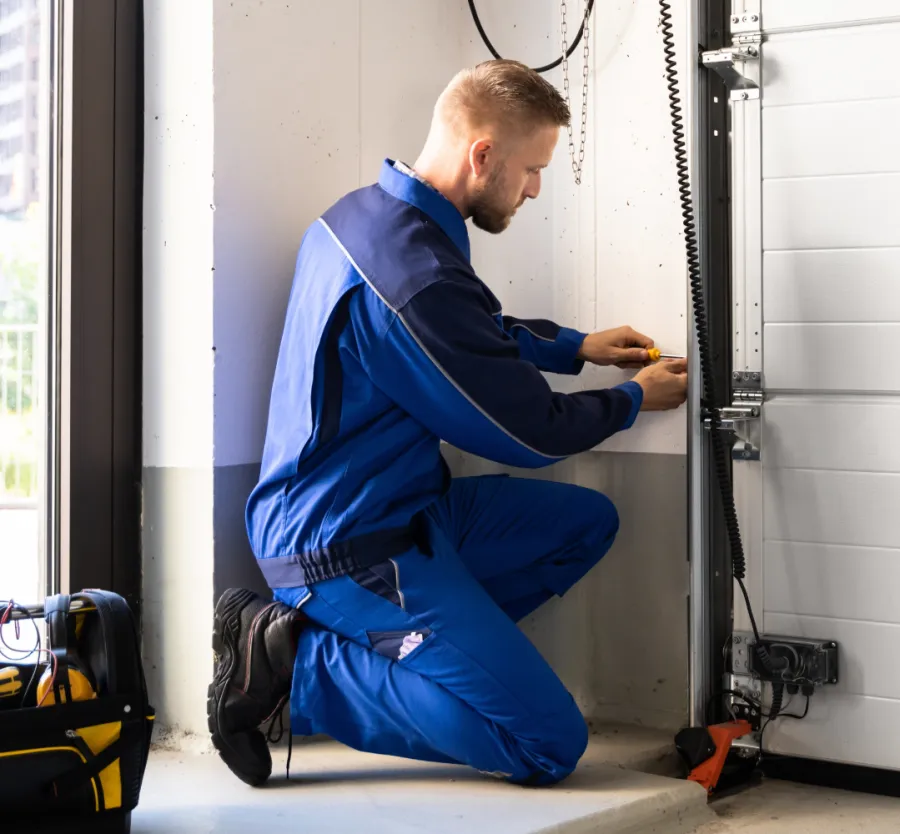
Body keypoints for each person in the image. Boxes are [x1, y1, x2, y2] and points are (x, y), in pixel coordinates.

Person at [207, 59, 688, 789]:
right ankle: (296, 667)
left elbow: (467, 332)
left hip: (408, 510)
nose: (533, 189)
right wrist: (630, 399)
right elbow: (530, 433)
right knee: (547, 743)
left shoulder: (365, 218)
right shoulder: (411, 276)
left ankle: (424, 663)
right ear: (483, 154)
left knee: (585, 523)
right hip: (343, 546)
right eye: (531, 169)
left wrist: (575, 348)